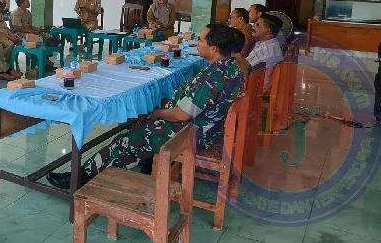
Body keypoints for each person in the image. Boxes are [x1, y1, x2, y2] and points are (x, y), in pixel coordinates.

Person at [47, 23, 246, 189]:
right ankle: (141, 161)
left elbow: (181, 115)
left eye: (201, 40)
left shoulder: (214, 76)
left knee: (123, 141)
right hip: (205, 127)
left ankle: (81, 178)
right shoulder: (230, 67)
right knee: (137, 127)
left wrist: (157, 113)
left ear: (214, 48)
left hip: (190, 133)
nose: (198, 43)